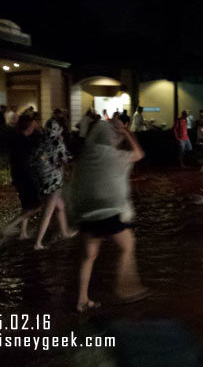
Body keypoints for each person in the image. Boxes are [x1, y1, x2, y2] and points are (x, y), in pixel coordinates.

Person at [71, 121, 150, 313]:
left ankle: (82, 299)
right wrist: (128, 133)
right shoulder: (115, 156)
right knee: (127, 246)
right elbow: (139, 154)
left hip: (86, 213)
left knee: (89, 256)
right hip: (107, 211)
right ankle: (124, 287)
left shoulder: (87, 155)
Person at [31, 116, 76, 249]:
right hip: (53, 180)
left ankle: (65, 232)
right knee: (48, 211)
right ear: (58, 129)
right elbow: (66, 159)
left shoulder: (43, 141)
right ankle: (37, 243)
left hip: (42, 179)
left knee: (60, 206)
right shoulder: (57, 142)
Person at [4, 115, 43, 239]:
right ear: (29, 127)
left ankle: (23, 232)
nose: (34, 127)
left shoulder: (18, 138)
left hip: (19, 175)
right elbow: (31, 158)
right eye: (32, 125)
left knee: (26, 205)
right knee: (36, 206)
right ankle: (10, 225)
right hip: (25, 176)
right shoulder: (24, 141)